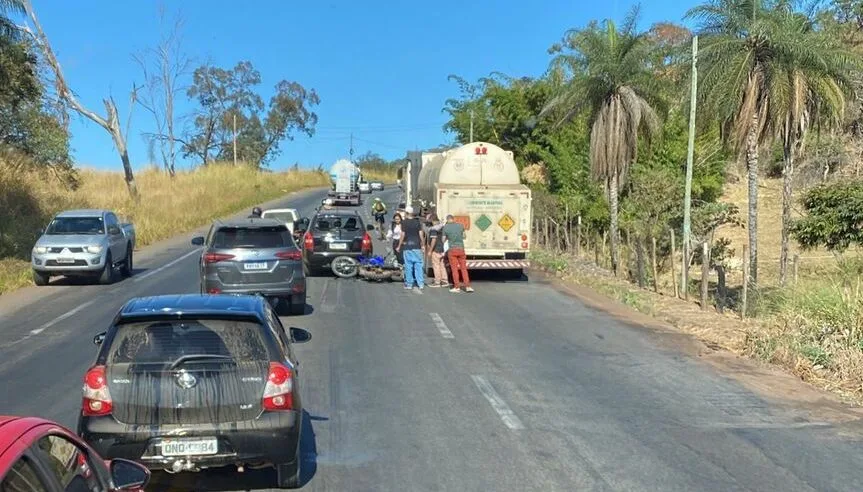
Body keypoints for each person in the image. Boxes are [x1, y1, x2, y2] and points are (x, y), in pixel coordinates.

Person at [396, 206, 425, 292]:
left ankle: (409, 284)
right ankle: (421, 284)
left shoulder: (404, 223)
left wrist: (399, 245)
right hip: (417, 246)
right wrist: (422, 244)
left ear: (406, 213)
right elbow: (421, 234)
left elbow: (402, 235)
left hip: (407, 247)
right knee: (418, 265)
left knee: (408, 266)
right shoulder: (417, 222)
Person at [442, 214, 473, 293]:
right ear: (453, 219)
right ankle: (468, 286)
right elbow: (464, 236)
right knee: (463, 268)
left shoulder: (446, 227)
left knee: (454, 269)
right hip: (461, 249)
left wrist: (449, 238)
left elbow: (443, 240)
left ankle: (457, 287)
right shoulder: (460, 225)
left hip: (452, 250)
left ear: (447, 219)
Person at [426, 215, 449, 288]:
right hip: (442, 249)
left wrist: (430, 250)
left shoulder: (434, 229)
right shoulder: (442, 227)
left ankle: (437, 282)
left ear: (432, 220)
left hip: (436, 250)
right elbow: (445, 237)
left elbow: (433, 240)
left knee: (436, 266)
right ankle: (445, 281)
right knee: (442, 265)